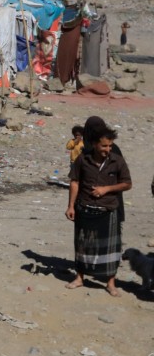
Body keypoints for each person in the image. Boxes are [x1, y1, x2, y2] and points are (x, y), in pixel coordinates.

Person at [67, 127, 131, 296]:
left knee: (110, 249)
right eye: (104, 146)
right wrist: (71, 206)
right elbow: (75, 182)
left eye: (110, 146)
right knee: (82, 245)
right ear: (95, 144)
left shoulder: (117, 161)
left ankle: (110, 283)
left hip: (108, 209)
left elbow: (127, 184)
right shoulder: (82, 160)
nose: (107, 150)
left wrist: (106, 189)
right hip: (84, 208)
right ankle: (80, 278)